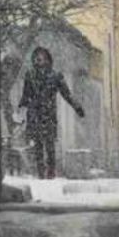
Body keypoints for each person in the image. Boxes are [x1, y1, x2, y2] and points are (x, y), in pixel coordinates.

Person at [18, 47, 84, 179]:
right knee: (37, 145)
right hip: (34, 114)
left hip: (48, 114)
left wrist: (77, 107)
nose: (39, 59)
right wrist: (20, 111)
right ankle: (40, 172)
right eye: (37, 56)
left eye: (41, 56)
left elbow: (67, 94)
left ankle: (50, 171)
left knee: (49, 144)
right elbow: (26, 95)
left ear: (47, 59)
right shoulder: (30, 75)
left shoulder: (55, 76)